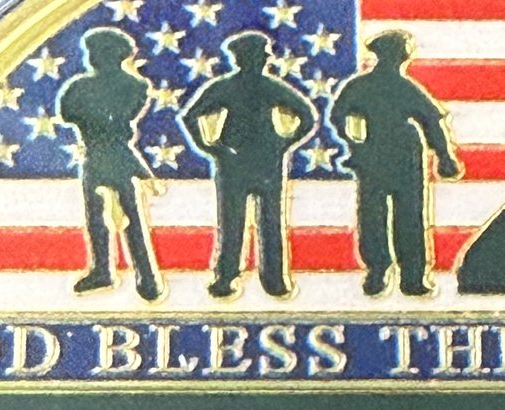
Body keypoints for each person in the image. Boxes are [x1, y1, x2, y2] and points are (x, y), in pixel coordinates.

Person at [181, 31, 315, 298]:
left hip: (260, 160)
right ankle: (233, 277)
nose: (262, 61)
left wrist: (284, 143)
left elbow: (307, 116)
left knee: (265, 221)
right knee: (237, 221)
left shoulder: (264, 87)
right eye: (258, 56)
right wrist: (211, 147)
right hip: (240, 160)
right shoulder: (233, 87)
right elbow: (191, 116)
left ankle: (271, 279)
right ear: (243, 58)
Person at [329, 29, 461, 297]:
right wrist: (444, 155)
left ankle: (397, 274)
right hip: (390, 155)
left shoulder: (367, 86)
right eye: (402, 49)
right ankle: (395, 274)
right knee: (396, 215)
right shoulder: (392, 86)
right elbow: (432, 122)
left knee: (385, 215)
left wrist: (445, 155)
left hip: (397, 156)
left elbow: (430, 121)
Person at [56, 26, 162, 302]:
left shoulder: (131, 87)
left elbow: (77, 114)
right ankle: (105, 270)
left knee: (131, 217)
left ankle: (146, 277)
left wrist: (96, 118)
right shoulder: (81, 87)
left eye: (96, 52)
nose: (91, 57)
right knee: (97, 217)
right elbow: (67, 114)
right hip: (98, 155)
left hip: (115, 155)